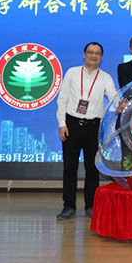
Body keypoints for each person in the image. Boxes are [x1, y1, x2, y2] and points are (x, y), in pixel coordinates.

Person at [55, 42, 118, 220]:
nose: (93, 56)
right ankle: (68, 206)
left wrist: (120, 103)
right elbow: (62, 99)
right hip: (72, 125)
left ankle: (91, 205)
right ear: (84, 54)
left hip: (93, 128)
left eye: (97, 53)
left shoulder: (105, 77)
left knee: (92, 168)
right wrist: (62, 124)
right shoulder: (72, 72)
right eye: (90, 52)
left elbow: (113, 96)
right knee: (70, 168)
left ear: (101, 57)